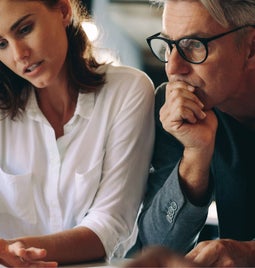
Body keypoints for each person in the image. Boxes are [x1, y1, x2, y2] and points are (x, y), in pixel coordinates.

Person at [0, 0, 155, 267]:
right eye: (1, 44)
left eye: (25, 29)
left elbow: (108, 226)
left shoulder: (128, 92)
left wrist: (17, 250)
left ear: (63, 10)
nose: (19, 54)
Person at [129, 0, 255, 267]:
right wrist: (195, 156)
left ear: (251, 48)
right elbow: (155, 250)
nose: (173, 68)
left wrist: (250, 253)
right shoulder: (179, 107)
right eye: (169, 45)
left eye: (195, 44)